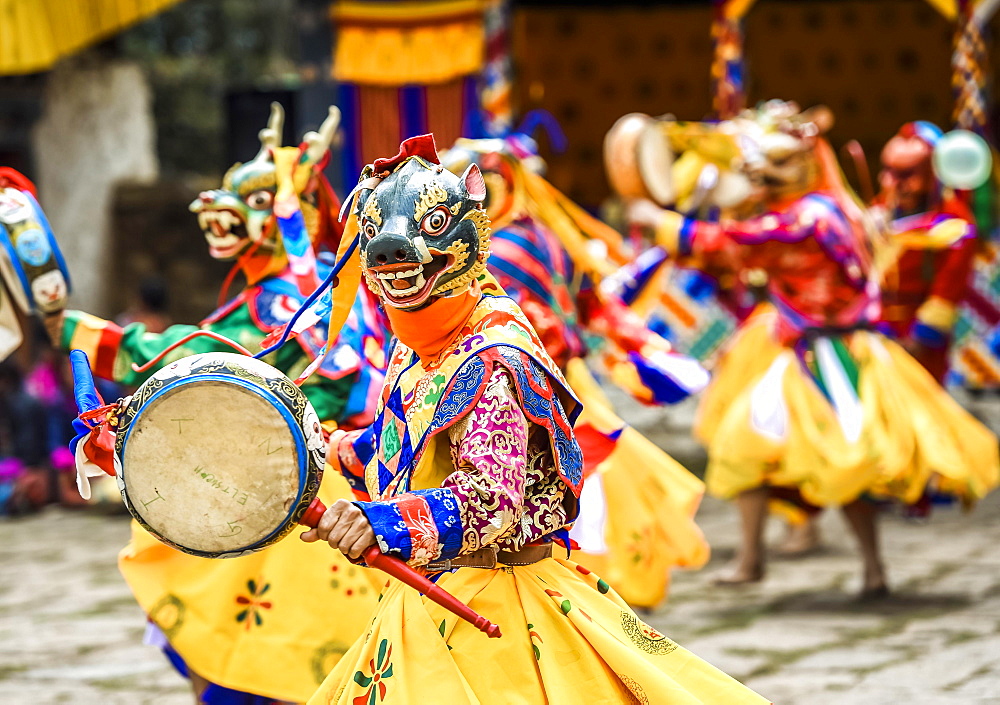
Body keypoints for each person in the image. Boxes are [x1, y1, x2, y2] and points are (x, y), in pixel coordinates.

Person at [302, 134, 769, 704]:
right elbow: (409, 434)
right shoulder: (423, 343)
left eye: (426, 235)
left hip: (494, 598)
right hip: (436, 593)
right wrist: (335, 449)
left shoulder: (488, 359)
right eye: (378, 242)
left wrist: (386, 523)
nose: (395, 263)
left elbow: (490, 501)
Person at [45, 104, 388, 704]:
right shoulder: (325, 285)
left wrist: (71, 330)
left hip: (306, 480)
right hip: (341, 471)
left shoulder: (288, 300)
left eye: (257, 202)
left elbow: (192, 357)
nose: (221, 210)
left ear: (293, 214)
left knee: (255, 660)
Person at [628, 101, 999, 598]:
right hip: (821, 346)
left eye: (771, 169)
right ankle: (774, 560)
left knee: (831, 459)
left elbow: (735, 243)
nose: (760, 179)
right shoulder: (835, 206)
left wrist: (660, 222)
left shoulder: (806, 219)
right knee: (768, 449)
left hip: (829, 356)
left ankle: (837, 565)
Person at [440, 132, 710, 609]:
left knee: (560, 485)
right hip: (568, 378)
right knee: (588, 477)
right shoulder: (547, 233)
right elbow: (589, 303)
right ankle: (604, 586)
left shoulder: (499, 251)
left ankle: (591, 587)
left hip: (528, 387)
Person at [873, 121, 978, 383]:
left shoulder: (953, 221)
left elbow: (948, 286)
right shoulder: (881, 209)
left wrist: (922, 336)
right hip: (875, 329)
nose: (891, 183)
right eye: (887, 171)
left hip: (916, 339)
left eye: (906, 174)